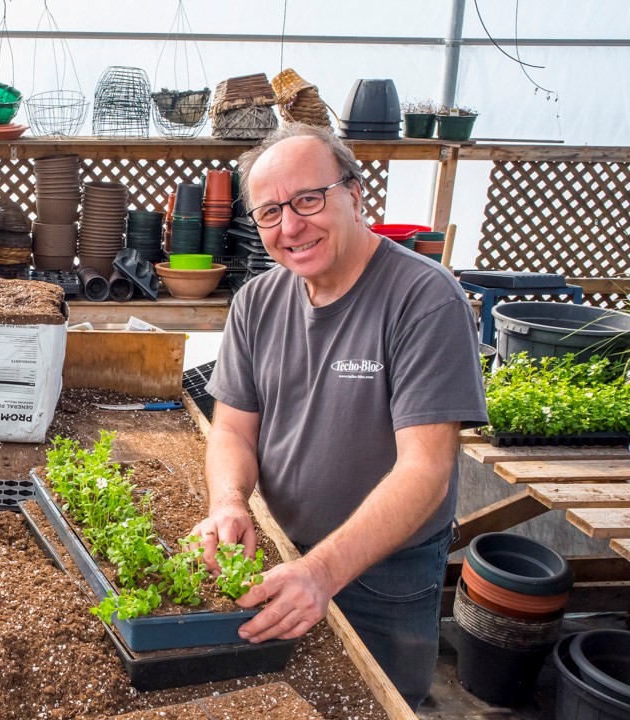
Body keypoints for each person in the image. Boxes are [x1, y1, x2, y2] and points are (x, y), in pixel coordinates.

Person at [189, 123, 487, 708]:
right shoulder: (257, 300)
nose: (290, 226)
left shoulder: (425, 298)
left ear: (355, 195)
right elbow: (231, 427)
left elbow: (425, 471)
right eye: (269, 211)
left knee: (372, 703)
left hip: (384, 577)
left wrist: (323, 573)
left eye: (308, 199)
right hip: (279, 550)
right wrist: (228, 503)